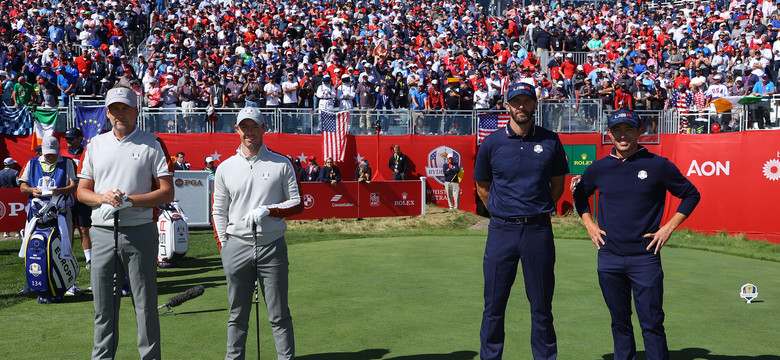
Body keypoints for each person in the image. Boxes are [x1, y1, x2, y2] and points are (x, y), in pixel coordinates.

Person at [572, 109, 701, 360]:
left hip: (645, 257)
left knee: (652, 323)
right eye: (617, 130)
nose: (623, 135)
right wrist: (589, 223)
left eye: (629, 129)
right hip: (609, 256)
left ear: (640, 132)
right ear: (609, 134)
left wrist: (668, 227)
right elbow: (580, 195)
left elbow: (691, 194)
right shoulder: (599, 168)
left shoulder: (658, 165)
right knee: (619, 322)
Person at [473, 82, 569, 360]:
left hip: (538, 230)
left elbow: (557, 185)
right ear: (507, 106)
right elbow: (482, 186)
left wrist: (534, 209)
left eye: (527, 101)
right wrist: (501, 211)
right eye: (516, 102)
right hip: (501, 230)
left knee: (541, 305)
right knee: (494, 304)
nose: (521, 107)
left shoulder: (550, 140)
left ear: (535, 105)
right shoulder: (492, 142)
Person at [77, 86, 174, 359]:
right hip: (103, 232)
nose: (120, 113)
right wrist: (102, 198)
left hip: (140, 231)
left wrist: (130, 200)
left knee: (144, 305)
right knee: (103, 306)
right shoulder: (95, 144)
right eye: (115, 108)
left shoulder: (152, 142)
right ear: (107, 113)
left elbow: (167, 192)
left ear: (136, 110)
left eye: (125, 108)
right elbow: (82, 191)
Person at [212, 107, 303, 360]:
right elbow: (218, 211)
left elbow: (297, 203)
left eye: (255, 126)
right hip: (236, 246)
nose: (249, 132)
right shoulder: (225, 168)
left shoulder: (281, 163)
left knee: (278, 314)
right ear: (237, 130)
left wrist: (269, 210)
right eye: (245, 127)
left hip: (271, 245)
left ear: (265, 128)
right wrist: (224, 246)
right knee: (237, 314)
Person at [19, 136, 82, 295]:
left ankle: (68, 282)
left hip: (61, 210)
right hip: (36, 212)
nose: (50, 157)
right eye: (48, 154)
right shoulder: (31, 163)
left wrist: (60, 191)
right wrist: (31, 190)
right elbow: (23, 186)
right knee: (31, 245)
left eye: (53, 154)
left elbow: (74, 186)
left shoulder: (67, 163)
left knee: (65, 243)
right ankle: (32, 280)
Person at [65, 128, 93, 269]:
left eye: (71, 138)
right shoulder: (62, 155)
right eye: (67, 139)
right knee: (68, 230)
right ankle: (69, 259)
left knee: (84, 229)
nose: (68, 141)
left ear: (80, 139)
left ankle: (89, 258)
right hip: (68, 198)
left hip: (83, 197)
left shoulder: (88, 153)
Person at [1, 157, 21, 237]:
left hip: (3, 196)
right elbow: (18, 183)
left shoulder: (0, 173)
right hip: (14, 195)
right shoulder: (15, 172)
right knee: (15, 213)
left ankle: (6, 232)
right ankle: (17, 232)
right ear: (11, 164)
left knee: (6, 213)